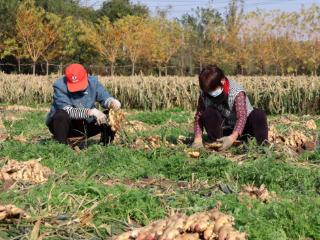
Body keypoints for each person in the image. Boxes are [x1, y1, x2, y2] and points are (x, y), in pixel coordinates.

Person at [191, 65, 268, 150]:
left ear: (222, 81)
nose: (210, 94)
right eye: (208, 92)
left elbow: (242, 117)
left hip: (243, 130)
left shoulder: (237, 92)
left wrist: (232, 138)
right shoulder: (205, 94)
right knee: (209, 113)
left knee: (258, 114)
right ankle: (216, 143)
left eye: (213, 91)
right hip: (223, 130)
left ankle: (263, 146)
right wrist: (197, 138)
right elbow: (199, 115)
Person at [46, 63, 121, 145]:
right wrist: (91, 112)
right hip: (65, 127)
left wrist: (112, 102)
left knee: (110, 115)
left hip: (86, 124)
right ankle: (61, 147)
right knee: (60, 114)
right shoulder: (60, 86)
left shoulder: (93, 82)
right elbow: (68, 111)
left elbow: (105, 98)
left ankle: (106, 143)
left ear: (86, 75)